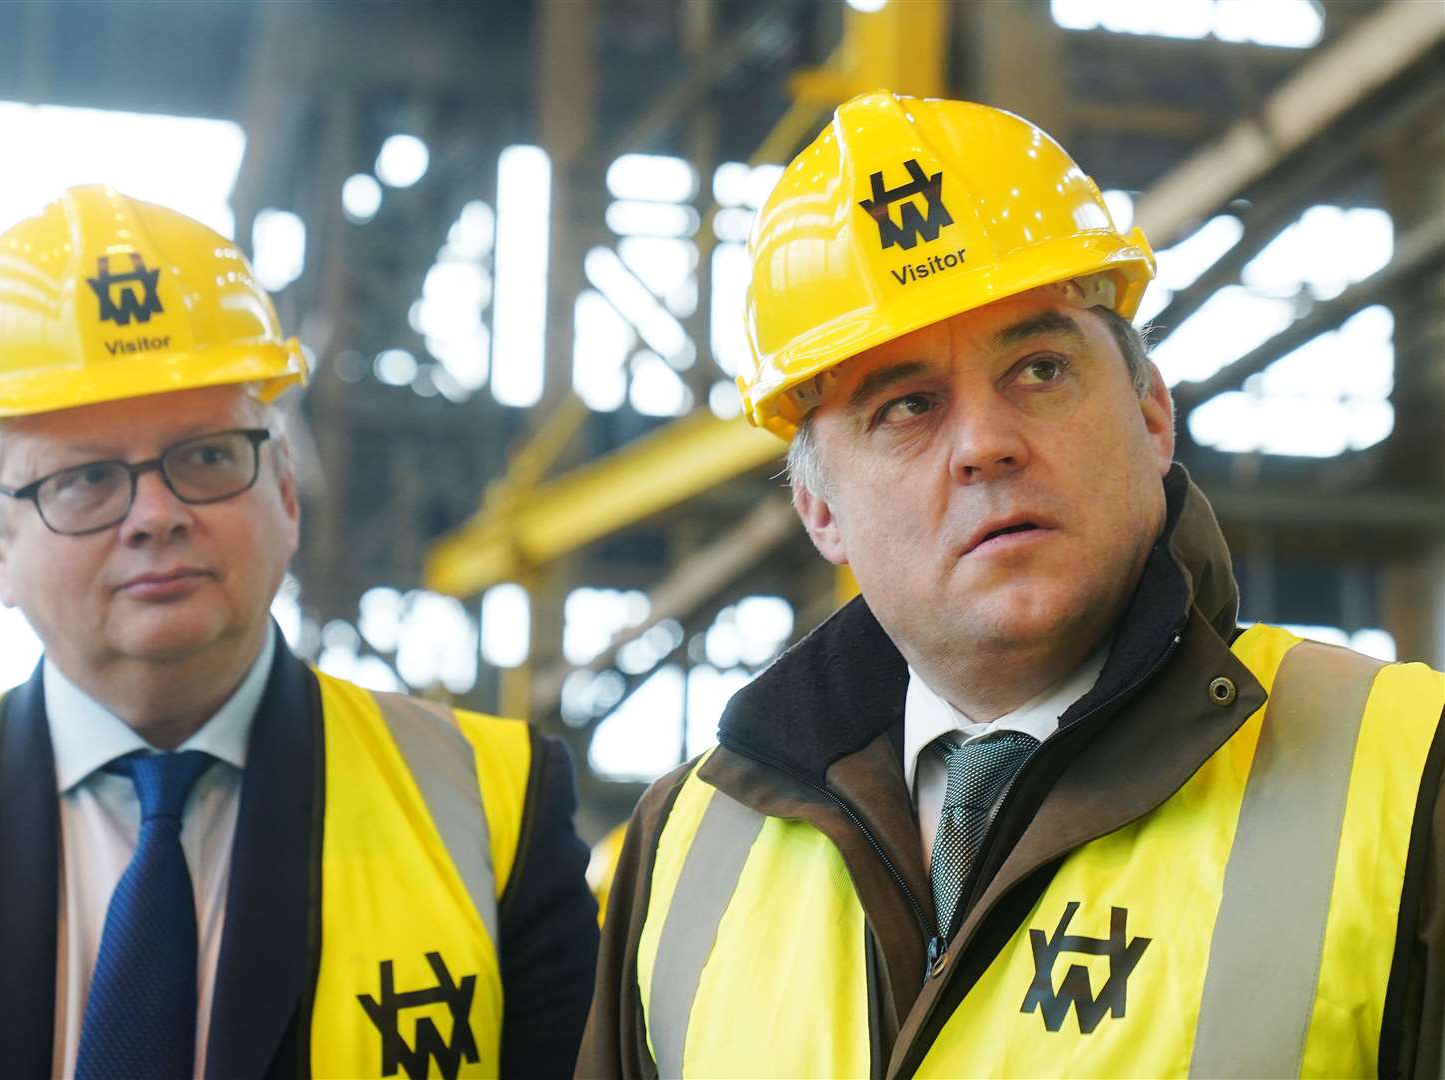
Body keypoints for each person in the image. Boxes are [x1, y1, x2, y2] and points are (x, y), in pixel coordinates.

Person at [580, 92, 1445, 1078]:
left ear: (1152, 414)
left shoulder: (1411, 776)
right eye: (904, 406)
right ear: (821, 512)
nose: (985, 445)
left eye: (1036, 370)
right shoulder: (684, 851)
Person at [0, 185, 597, 1080]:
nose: (155, 514)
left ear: (287, 495)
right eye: (85, 481)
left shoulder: (497, 806)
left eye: (207, 457)